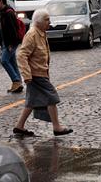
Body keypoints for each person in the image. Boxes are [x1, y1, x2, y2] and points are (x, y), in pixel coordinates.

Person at [13, 8, 73, 137]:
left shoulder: (41, 32)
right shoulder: (32, 34)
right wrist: (27, 75)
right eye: (47, 20)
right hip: (36, 75)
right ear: (39, 21)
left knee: (31, 102)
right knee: (52, 97)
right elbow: (21, 55)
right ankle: (57, 127)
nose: (49, 22)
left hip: (40, 73)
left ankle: (19, 126)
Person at [0, 0, 23, 93]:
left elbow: (13, 30)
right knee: (12, 62)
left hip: (11, 43)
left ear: (1, 1)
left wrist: (11, 44)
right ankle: (18, 84)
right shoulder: (1, 13)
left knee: (4, 60)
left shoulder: (9, 13)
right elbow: (0, 31)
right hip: (4, 43)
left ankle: (16, 81)